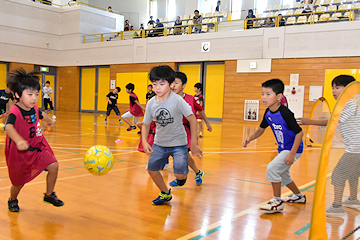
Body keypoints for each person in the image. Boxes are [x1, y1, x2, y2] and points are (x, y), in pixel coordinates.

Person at [297, 75, 360, 217]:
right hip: (357, 148)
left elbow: (333, 121)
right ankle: (353, 199)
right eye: (332, 87)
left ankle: (337, 207)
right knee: (353, 173)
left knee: (338, 174)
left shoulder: (348, 104)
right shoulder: (351, 104)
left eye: (337, 87)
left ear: (349, 89)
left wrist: (310, 121)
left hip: (355, 149)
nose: (333, 90)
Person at [141, 65, 202, 205]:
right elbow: (145, 124)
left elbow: (192, 119)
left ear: (171, 84)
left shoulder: (178, 100)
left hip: (178, 144)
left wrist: (193, 143)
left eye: (162, 84)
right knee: (151, 170)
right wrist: (145, 142)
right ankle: (165, 193)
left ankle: (182, 176)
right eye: (154, 84)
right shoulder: (151, 103)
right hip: (159, 144)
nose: (157, 88)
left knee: (180, 175)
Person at [5, 68, 64, 212]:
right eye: (30, 94)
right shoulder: (15, 110)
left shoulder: (34, 108)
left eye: (36, 94)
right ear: (18, 94)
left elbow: (41, 113)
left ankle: (49, 195)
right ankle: (12, 199)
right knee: (19, 183)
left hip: (38, 147)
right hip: (20, 153)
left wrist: (49, 120)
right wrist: (18, 140)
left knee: (54, 166)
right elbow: (8, 127)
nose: (34, 98)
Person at [242, 79, 305, 213]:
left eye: (268, 94)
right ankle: (299, 196)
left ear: (279, 97)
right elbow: (261, 129)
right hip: (283, 149)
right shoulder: (268, 112)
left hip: (293, 148)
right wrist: (249, 138)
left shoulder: (285, 113)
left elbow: (299, 133)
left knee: (272, 168)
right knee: (284, 175)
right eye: (262, 94)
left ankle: (277, 201)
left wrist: (292, 153)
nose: (264, 97)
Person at [169, 72, 212, 187]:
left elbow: (200, 110)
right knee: (184, 156)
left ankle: (181, 178)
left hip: (187, 131)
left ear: (184, 85)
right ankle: (198, 172)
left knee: (182, 154)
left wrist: (207, 123)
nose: (173, 86)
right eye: (172, 83)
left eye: (176, 83)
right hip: (174, 132)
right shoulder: (168, 98)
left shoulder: (190, 98)